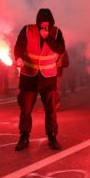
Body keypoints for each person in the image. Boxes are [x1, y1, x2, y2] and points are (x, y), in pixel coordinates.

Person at [14, 8, 66, 151]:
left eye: (47, 23)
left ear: (51, 22)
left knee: (50, 110)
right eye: (41, 23)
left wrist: (47, 37)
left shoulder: (56, 32)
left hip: (48, 77)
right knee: (25, 110)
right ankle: (24, 137)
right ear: (37, 22)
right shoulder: (27, 29)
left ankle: (52, 137)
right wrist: (18, 57)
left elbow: (60, 49)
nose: (44, 25)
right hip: (29, 75)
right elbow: (19, 45)